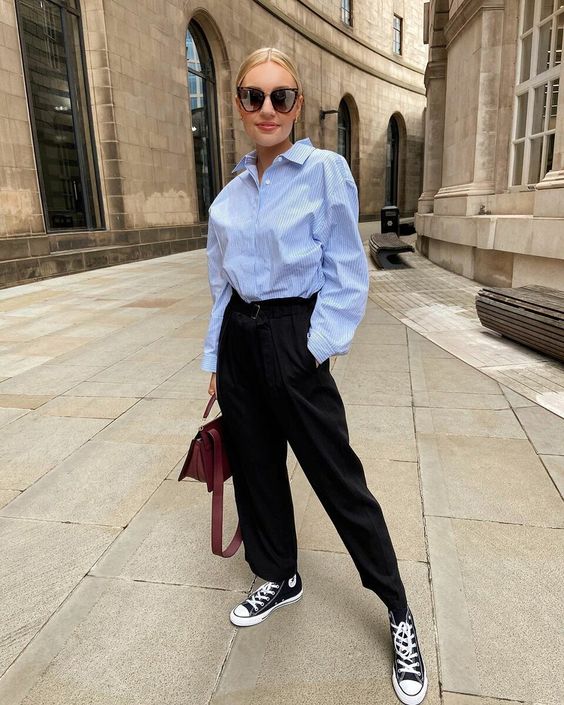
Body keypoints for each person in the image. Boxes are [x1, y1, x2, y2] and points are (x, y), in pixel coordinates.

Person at [201, 47, 427, 705]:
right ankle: (279, 573)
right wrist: (215, 360)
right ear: (238, 104)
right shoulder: (226, 198)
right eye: (253, 96)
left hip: (294, 335)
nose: (266, 108)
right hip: (241, 342)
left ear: (297, 105)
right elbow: (220, 285)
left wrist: (315, 345)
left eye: (280, 96)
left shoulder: (325, 170)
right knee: (257, 465)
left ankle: (397, 607)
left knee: (336, 474)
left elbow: (347, 268)